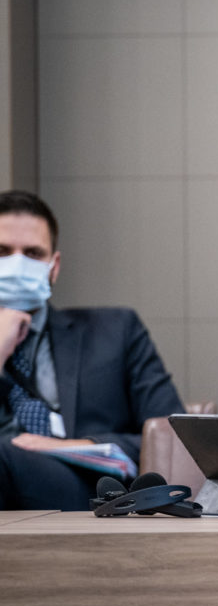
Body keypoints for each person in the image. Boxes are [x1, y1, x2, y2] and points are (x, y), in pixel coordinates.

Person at [0, 190, 183, 510]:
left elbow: (174, 436)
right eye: (2, 252)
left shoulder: (116, 330)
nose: (17, 265)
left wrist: (71, 446)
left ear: (54, 267)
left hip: (85, 488)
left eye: (32, 253)